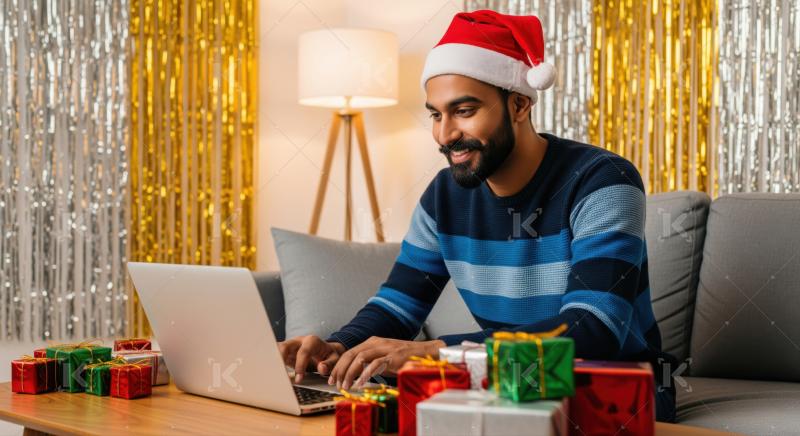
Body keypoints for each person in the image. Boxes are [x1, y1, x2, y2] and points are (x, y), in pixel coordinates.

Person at [279, 9, 677, 422]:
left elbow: (593, 330)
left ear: (519, 104)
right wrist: (337, 349)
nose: (445, 134)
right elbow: (397, 307)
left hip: (610, 385)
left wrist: (438, 352)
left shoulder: (602, 180)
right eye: (436, 114)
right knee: (370, 403)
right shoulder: (444, 195)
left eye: (464, 111)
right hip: (502, 381)